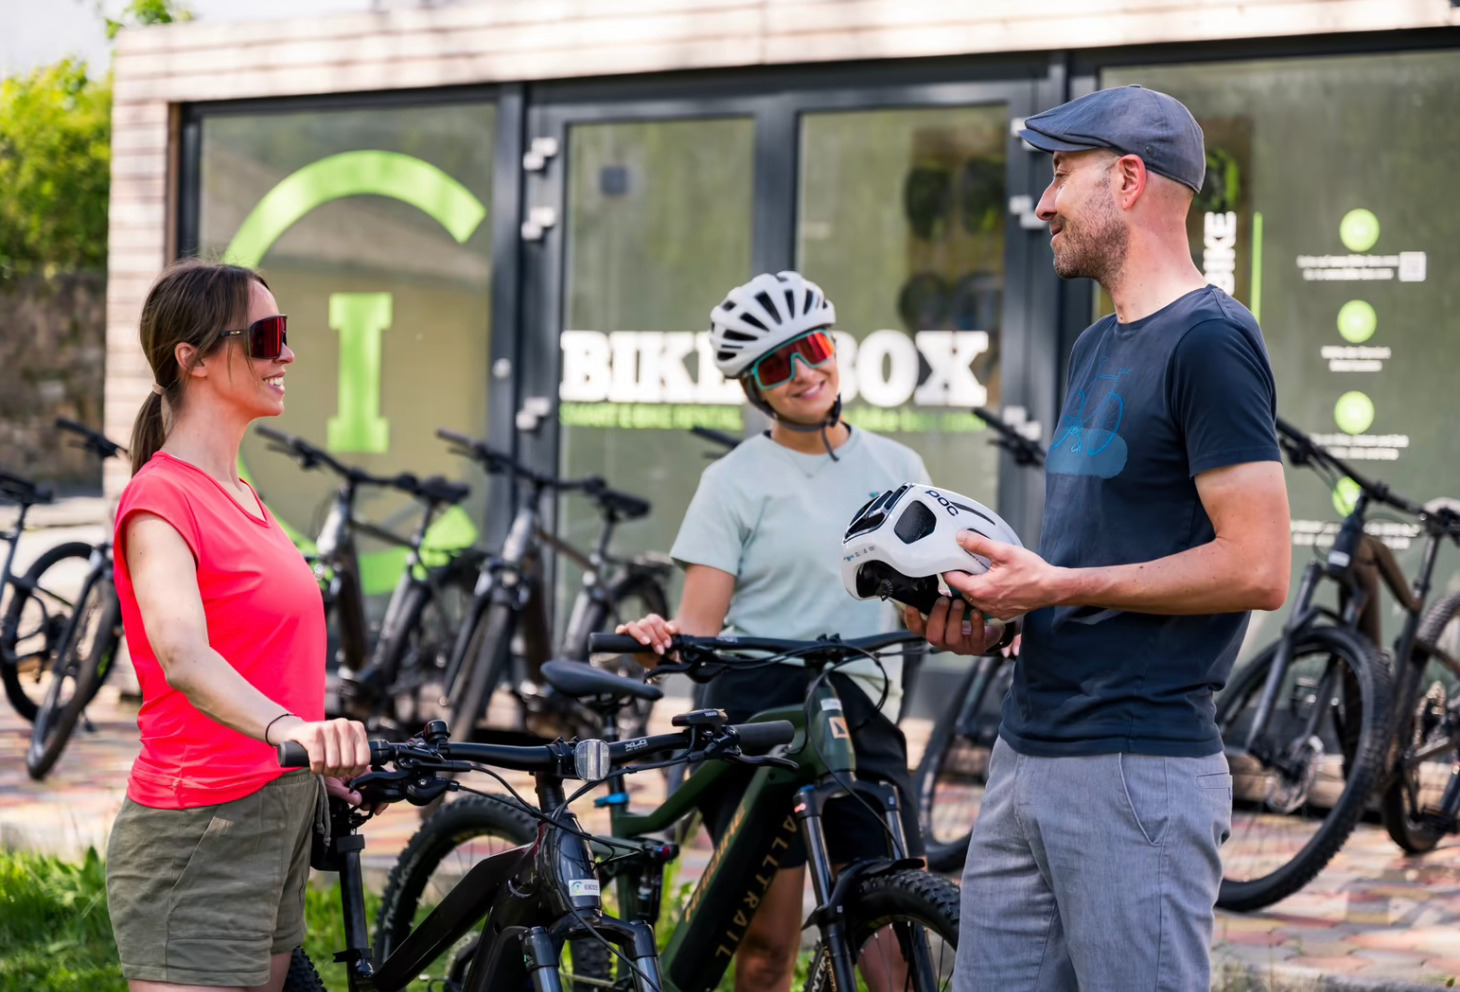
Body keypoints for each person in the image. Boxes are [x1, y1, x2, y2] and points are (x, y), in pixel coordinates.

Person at [908, 86, 1292, 991]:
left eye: (1059, 174)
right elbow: (1089, 558)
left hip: (1137, 772)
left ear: (1126, 180)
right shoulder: (1094, 348)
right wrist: (1006, 614)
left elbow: (1260, 566)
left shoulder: (1212, 342)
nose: (1042, 202)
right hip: (1025, 754)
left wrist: (1055, 586)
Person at [617, 271, 930, 992]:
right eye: (776, 366)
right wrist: (663, 637)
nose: (803, 373)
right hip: (758, 709)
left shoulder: (900, 467)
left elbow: (921, 609)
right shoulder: (733, 481)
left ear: (835, 349)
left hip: (858, 703)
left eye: (812, 347)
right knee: (766, 949)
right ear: (754, 388)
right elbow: (700, 630)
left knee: (894, 947)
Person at [106, 260, 371, 992]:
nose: (284, 354)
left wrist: (313, 763)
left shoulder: (243, 495)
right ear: (190, 360)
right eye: (265, 335)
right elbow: (184, 657)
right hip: (201, 831)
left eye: (282, 335)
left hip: (272, 813)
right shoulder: (160, 499)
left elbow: (262, 656)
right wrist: (292, 729)